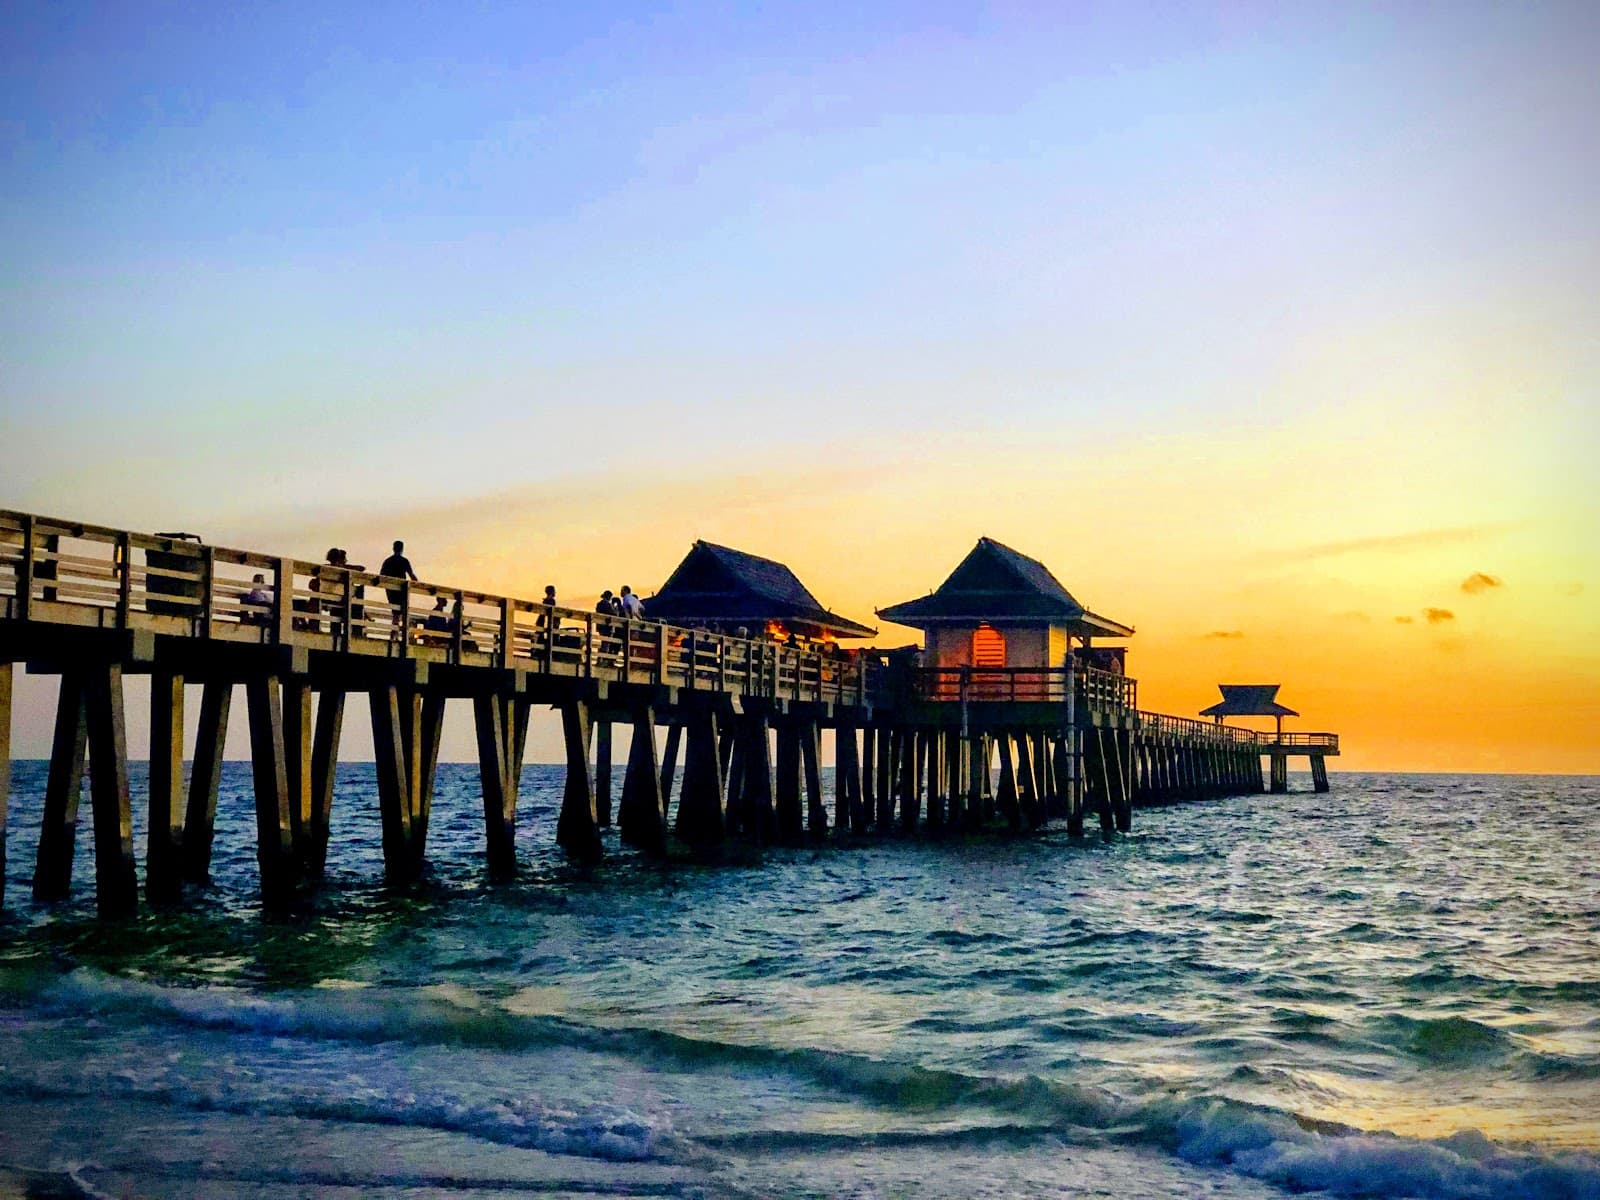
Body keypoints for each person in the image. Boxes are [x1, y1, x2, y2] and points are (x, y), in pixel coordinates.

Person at [379, 540, 418, 638]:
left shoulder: (388, 561)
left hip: (391, 590)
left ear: (393, 548)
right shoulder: (404, 561)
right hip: (401, 590)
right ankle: (395, 634)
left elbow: (381, 575)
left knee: (396, 613)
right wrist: (418, 584)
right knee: (400, 613)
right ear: (402, 549)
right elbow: (412, 575)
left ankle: (394, 634)